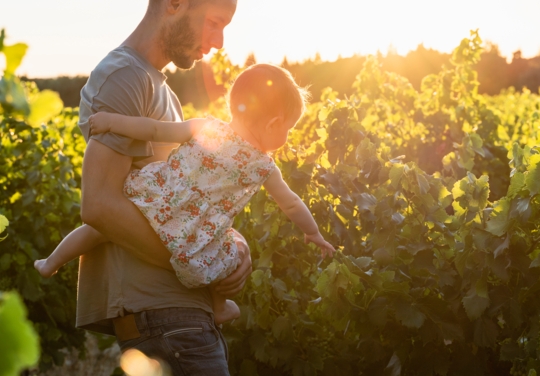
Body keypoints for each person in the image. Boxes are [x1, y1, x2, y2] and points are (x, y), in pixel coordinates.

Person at [36, 63, 334, 325]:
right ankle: (219, 307)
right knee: (229, 254)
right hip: (192, 232)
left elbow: (153, 130)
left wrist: (112, 122)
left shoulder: (207, 128)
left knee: (99, 230)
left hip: (159, 198)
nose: (287, 138)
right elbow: (292, 204)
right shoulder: (263, 167)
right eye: (288, 130)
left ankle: (51, 262)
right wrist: (313, 232)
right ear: (273, 124)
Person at [60, 0, 243, 375]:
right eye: (214, 22)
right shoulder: (124, 78)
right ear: (175, 3)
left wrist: (230, 246)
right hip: (166, 324)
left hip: (179, 323)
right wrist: (200, 266)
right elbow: (100, 205)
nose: (218, 42)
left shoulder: (162, 92)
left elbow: (176, 204)